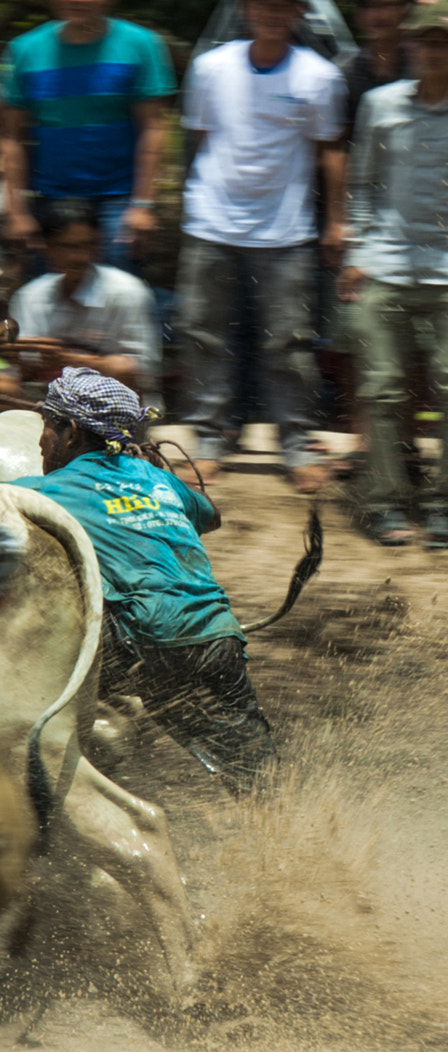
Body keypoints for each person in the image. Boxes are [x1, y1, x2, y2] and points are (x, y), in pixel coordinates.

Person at [6, 367, 274, 792]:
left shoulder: (49, 491)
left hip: (141, 639)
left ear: (71, 432)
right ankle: (283, 824)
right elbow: (211, 515)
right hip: (220, 636)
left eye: (47, 426)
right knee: (253, 765)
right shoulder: (159, 479)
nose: (41, 440)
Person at [341, 2, 448, 550]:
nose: (433, 51)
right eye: (424, 42)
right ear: (411, 45)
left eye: (444, 42)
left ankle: (445, 502)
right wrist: (358, 251)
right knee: (383, 390)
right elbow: (363, 183)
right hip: (387, 264)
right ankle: (387, 502)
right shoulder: (379, 105)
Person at [176, 0, 348, 494]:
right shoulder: (211, 67)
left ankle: (295, 444)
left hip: (286, 230)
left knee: (290, 344)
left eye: (283, 5)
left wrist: (335, 221)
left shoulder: (319, 76)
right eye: (262, 3)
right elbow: (197, 137)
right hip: (212, 223)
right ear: (247, 9)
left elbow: (331, 150)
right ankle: (208, 443)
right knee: (205, 335)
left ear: (298, 12)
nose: (272, 12)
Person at [0, 0, 175, 274]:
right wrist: (18, 212)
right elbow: (11, 138)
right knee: (47, 296)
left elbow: (152, 128)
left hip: (118, 200)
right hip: (49, 199)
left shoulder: (141, 44)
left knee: (117, 294)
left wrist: (143, 205)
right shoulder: (24, 49)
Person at [6, 199, 159, 400]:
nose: (79, 257)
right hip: (48, 399)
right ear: (47, 247)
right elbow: (25, 372)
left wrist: (68, 360)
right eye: (69, 247)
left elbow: (139, 374)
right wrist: (11, 355)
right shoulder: (30, 296)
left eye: (87, 246)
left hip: (111, 402)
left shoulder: (128, 292)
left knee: (122, 368)